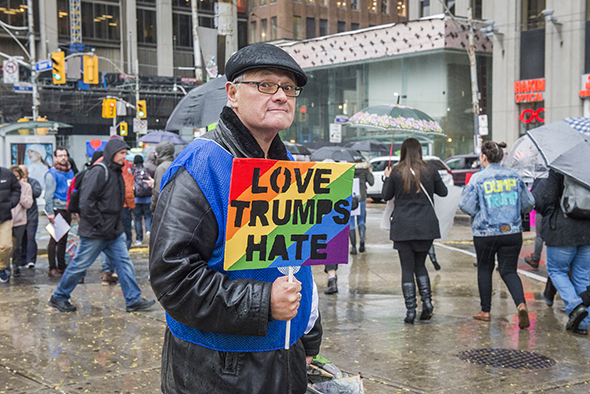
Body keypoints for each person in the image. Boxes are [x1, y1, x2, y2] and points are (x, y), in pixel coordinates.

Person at [150, 43, 322, 394]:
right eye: (265, 85)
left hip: (285, 361)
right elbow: (172, 277)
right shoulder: (201, 164)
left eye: (288, 88)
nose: (280, 96)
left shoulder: (289, 168)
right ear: (232, 93)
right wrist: (262, 302)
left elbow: (296, 260)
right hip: (217, 371)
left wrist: (308, 338)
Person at [48, 138, 155, 313]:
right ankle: (59, 297)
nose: (124, 157)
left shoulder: (116, 171)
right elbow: (86, 203)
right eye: (121, 154)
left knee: (124, 263)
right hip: (96, 231)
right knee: (79, 265)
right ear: (112, 154)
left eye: (125, 154)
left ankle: (133, 299)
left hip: (112, 230)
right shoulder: (99, 172)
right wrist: (101, 224)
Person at [459, 141, 534, 329]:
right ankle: (521, 304)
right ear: (501, 157)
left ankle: (485, 310)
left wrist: (481, 210)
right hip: (512, 232)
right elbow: (529, 203)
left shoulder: (478, 179)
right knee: (509, 271)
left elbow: (466, 206)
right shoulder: (514, 177)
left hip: (485, 233)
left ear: (484, 157)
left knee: (485, 268)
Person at [382, 138, 448, 324]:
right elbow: (443, 192)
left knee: (406, 268)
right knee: (420, 265)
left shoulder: (396, 171)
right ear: (420, 151)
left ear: (402, 151)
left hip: (402, 226)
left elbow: (386, 196)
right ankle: (427, 303)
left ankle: (410, 311)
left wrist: (387, 177)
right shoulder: (431, 169)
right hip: (426, 226)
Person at [532, 170, 590, 335]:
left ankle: (574, 306)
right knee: (582, 276)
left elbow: (547, 198)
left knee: (557, 270)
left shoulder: (561, 167)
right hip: (588, 230)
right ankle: (583, 324)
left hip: (562, 229)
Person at [44, 147, 75, 278]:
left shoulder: (70, 171)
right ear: (55, 158)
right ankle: (52, 268)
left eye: (65, 155)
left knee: (63, 239)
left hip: (67, 208)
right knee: (55, 239)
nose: (63, 158)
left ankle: (61, 266)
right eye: (60, 155)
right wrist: (50, 212)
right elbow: (48, 195)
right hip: (57, 209)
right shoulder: (52, 173)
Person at [9, 166, 33, 278]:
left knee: (17, 246)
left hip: (20, 221)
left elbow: (28, 204)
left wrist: (20, 194)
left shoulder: (26, 187)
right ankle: (5, 267)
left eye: (17, 177)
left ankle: (16, 266)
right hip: (6, 219)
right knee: (6, 246)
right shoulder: (5, 186)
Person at [18, 165, 42, 269]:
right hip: (19, 215)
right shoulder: (15, 183)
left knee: (30, 237)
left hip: (31, 214)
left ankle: (31, 260)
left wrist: (26, 186)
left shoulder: (33, 182)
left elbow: (37, 192)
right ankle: (22, 259)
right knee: (21, 238)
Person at [0, 167, 21, 282]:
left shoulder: (7, 174)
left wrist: (11, 203)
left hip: (4, 216)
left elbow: (17, 189)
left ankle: (1, 267)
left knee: (6, 246)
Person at [131, 155, 152, 245]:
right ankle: (148, 230)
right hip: (148, 198)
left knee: (138, 219)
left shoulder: (133, 171)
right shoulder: (147, 170)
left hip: (136, 199)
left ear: (134, 162)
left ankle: (139, 239)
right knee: (148, 216)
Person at [149, 141, 175, 213]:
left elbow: (158, 192)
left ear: (162, 153)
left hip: (163, 209)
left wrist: (153, 207)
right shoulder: (175, 165)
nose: (155, 154)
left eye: (157, 152)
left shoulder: (161, 168)